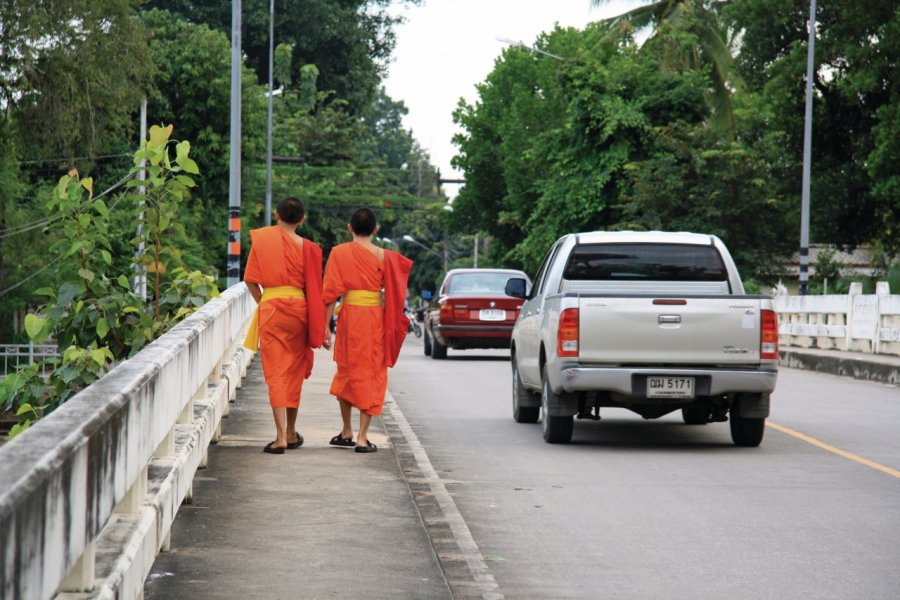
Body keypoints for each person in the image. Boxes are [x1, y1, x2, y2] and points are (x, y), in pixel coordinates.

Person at [322, 208, 412, 453]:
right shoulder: (385, 257)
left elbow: (330, 293)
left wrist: (326, 327)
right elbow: (397, 291)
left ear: (349, 227)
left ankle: (346, 430)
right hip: (374, 319)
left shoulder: (339, 253)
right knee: (372, 373)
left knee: (347, 371)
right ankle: (362, 437)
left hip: (349, 317)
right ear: (375, 230)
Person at [243, 197, 325, 454]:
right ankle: (291, 431)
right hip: (299, 310)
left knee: (276, 371)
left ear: (276, 214)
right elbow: (314, 288)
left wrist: (264, 301)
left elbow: (249, 280)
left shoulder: (263, 240)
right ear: (303, 219)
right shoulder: (310, 248)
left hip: (272, 308)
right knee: (293, 371)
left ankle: (279, 436)